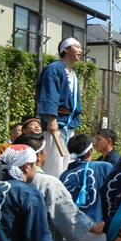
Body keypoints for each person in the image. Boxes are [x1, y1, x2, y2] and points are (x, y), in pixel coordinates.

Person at [14, 133, 105, 241]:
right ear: (38, 156)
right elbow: (69, 217)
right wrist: (93, 227)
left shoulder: (2, 186)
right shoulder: (48, 183)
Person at [58, 133, 112, 241]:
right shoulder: (104, 167)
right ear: (90, 152)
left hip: (72, 233)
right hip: (97, 230)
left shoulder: (64, 175)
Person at [37, 37, 83, 177]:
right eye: (77, 47)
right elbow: (49, 94)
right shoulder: (53, 69)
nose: (80, 51)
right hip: (56, 122)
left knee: (67, 161)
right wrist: (51, 119)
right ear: (66, 49)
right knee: (54, 162)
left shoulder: (73, 73)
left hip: (68, 123)